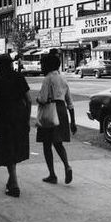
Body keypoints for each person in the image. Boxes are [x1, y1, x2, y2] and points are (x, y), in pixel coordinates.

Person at [0, 54, 31, 198]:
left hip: (5, 116)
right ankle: (11, 181)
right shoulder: (19, 77)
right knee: (16, 148)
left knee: (8, 149)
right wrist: (27, 118)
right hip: (20, 115)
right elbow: (29, 100)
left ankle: (14, 184)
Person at [36, 52, 76, 185]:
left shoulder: (48, 79)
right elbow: (70, 102)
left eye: (42, 64)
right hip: (62, 110)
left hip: (50, 111)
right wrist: (73, 122)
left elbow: (42, 99)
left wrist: (38, 99)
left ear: (47, 66)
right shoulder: (63, 79)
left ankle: (52, 174)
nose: (41, 67)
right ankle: (67, 165)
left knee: (47, 144)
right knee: (58, 143)